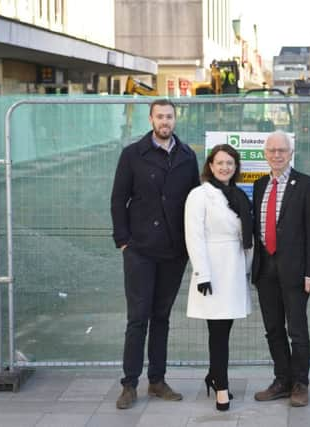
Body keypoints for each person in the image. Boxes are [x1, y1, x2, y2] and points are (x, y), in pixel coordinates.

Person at [110, 99, 200, 409]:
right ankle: (129, 384)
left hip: (174, 252)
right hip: (140, 251)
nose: (165, 121)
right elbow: (118, 199)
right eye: (160, 116)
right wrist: (123, 241)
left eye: (169, 116)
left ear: (176, 119)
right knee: (138, 319)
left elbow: (195, 201)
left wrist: (190, 247)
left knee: (161, 318)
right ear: (151, 119)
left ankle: (157, 381)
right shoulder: (132, 155)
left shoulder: (188, 157)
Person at [251, 131, 310, 407]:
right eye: (272, 150)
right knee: (273, 329)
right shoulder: (259, 185)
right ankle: (282, 380)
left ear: (291, 153)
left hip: (295, 271)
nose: (277, 155)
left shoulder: (305, 184)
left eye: (282, 150)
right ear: (265, 154)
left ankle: (300, 384)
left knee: (297, 330)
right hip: (265, 269)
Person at [184, 144, 253, 411]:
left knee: (224, 329)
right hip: (212, 269)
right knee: (218, 333)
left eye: (230, 163)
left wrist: (248, 268)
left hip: (234, 270)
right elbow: (194, 236)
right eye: (220, 163)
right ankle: (221, 387)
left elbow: (245, 237)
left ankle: (214, 375)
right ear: (210, 166)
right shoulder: (199, 195)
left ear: (235, 168)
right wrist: (202, 273)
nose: (225, 167)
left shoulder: (238, 195)